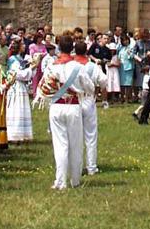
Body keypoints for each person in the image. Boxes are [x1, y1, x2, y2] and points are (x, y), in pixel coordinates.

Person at [36, 35, 94, 190]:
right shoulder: (78, 67)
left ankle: (60, 181)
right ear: (72, 48)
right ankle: (75, 180)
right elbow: (90, 87)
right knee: (75, 144)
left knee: (60, 144)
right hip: (73, 106)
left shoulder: (51, 66)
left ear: (59, 48)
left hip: (56, 106)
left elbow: (42, 86)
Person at [74, 41, 107, 175]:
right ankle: (91, 167)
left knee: (75, 135)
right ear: (86, 51)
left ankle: (77, 165)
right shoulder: (92, 67)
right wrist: (98, 89)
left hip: (74, 100)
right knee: (90, 135)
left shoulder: (70, 66)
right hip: (88, 99)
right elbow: (104, 81)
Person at [6, 40, 34, 143]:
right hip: (15, 86)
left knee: (21, 109)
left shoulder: (20, 59)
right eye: (22, 44)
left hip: (21, 86)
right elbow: (18, 74)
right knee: (16, 109)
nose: (24, 46)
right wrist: (30, 69)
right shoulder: (13, 60)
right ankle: (14, 135)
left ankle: (22, 134)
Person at [118, 35, 135, 103]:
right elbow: (119, 57)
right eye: (124, 40)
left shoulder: (131, 48)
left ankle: (127, 99)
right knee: (122, 83)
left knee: (128, 84)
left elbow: (132, 57)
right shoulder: (121, 48)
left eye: (127, 40)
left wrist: (129, 53)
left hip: (129, 67)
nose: (125, 41)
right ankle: (122, 97)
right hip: (121, 67)